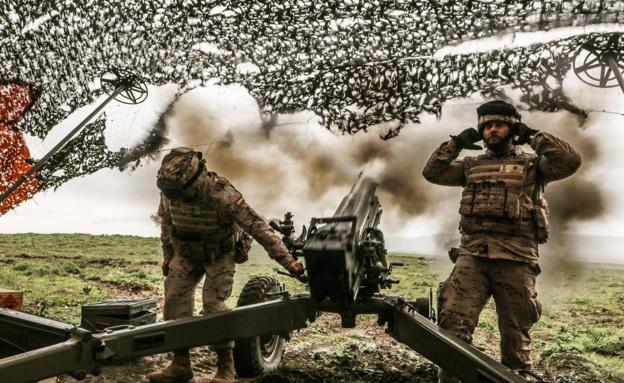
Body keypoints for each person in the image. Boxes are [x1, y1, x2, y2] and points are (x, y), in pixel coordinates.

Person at [422, 100, 582, 382]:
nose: (492, 130)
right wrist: (457, 142)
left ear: (513, 128)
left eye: (500, 124)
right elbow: (432, 172)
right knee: (452, 326)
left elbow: (569, 161)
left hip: (516, 260)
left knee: (515, 337)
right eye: (487, 126)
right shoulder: (471, 166)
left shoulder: (533, 165)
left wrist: (534, 135)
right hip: (472, 257)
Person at [150, 147, 304, 383]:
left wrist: (288, 261)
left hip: (219, 253)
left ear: (195, 179)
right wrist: (168, 255)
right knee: (174, 302)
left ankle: (226, 367)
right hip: (186, 252)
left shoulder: (221, 194)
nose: (176, 198)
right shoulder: (171, 190)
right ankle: (180, 364)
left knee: (213, 305)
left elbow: (258, 227)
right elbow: (167, 223)